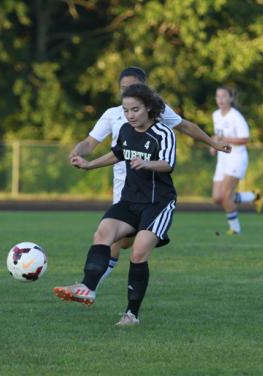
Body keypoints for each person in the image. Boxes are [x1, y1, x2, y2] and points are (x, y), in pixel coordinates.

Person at [69, 66, 231, 286]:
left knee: (124, 243)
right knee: (115, 241)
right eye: (123, 88)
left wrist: (213, 143)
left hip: (152, 186)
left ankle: (91, 287)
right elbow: (90, 143)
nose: (128, 91)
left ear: (145, 89)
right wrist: (78, 153)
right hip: (124, 187)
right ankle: (89, 288)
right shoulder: (113, 114)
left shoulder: (158, 111)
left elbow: (184, 126)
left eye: (133, 87)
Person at [54, 84, 178, 325]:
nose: (130, 115)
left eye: (135, 110)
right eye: (126, 110)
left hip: (157, 203)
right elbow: (117, 153)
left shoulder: (163, 133)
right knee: (102, 233)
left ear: (148, 108)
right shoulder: (125, 129)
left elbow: (168, 163)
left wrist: (147, 163)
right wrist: (89, 165)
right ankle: (87, 288)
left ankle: (131, 314)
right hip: (130, 199)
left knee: (138, 252)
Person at [209, 86, 261, 235]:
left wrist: (223, 139)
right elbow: (217, 136)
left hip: (236, 158)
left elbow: (245, 139)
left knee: (226, 196)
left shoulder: (236, 116)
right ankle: (254, 196)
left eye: (224, 96)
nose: (221, 100)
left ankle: (235, 229)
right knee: (217, 198)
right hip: (223, 159)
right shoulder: (216, 115)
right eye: (218, 96)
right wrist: (214, 146)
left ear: (231, 98)